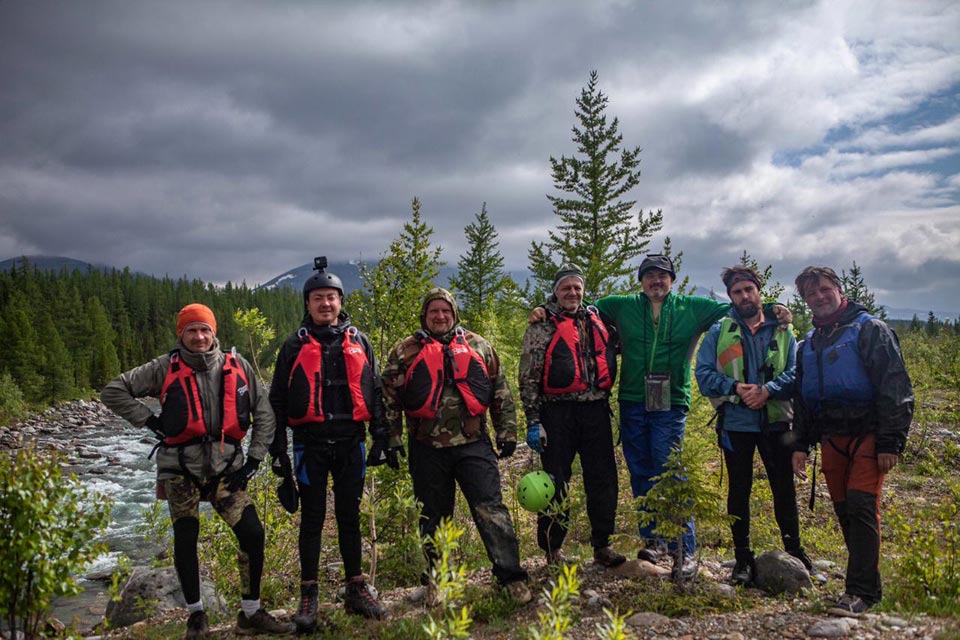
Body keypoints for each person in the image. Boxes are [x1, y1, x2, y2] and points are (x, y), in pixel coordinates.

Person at [528, 254, 790, 580]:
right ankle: (653, 541)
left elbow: (741, 308)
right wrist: (543, 307)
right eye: (650, 275)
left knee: (671, 472)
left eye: (662, 276)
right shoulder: (619, 305)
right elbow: (574, 304)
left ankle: (685, 549)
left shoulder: (693, 307)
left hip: (671, 403)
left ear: (672, 280)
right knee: (640, 473)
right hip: (633, 401)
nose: (656, 281)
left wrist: (776, 305)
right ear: (641, 280)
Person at [102, 303, 294, 638]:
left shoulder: (238, 366)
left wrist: (254, 459)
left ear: (214, 332)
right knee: (186, 539)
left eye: (205, 329)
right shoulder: (163, 367)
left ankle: (250, 612)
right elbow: (113, 391)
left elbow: (264, 412)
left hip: (227, 469)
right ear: (182, 334)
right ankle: (196, 616)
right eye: (192, 330)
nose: (199, 336)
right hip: (180, 468)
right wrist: (150, 421)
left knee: (252, 533)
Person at [380, 288, 532, 604]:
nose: (440, 316)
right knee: (432, 515)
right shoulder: (404, 351)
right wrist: (391, 439)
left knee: (490, 509)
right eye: (433, 311)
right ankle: (438, 580)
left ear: (454, 314)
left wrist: (507, 433)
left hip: (474, 444)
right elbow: (389, 399)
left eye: (445, 311)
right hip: (426, 446)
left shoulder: (479, 346)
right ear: (425, 315)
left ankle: (511, 577)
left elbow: (501, 392)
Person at [268, 258, 388, 630]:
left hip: (352, 442)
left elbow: (376, 389)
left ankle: (356, 588)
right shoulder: (292, 346)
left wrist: (382, 437)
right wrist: (277, 454)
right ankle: (309, 594)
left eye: (331, 298)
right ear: (307, 303)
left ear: (340, 301)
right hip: (309, 445)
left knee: (349, 517)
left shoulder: (360, 340)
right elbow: (277, 401)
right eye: (318, 298)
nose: (325, 304)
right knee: (313, 520)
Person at [791, 266, 913, 616]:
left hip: (869, 435)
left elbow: (896, 386)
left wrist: (891, 441)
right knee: (846, 512)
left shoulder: (870, 330)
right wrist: (800, 444)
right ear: (805, 300)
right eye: (811, 294)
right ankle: (864, 584)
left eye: (825, 289)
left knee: (862, 508)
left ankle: (862, 592)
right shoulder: (809, 344)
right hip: (833, 437)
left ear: (839, 290)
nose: (819, 297)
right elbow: (803, 399)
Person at [694, 265, 812, 586]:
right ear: (730, 296)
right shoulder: (720, 331)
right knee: (739, 489)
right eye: (737, 291)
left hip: (777, 422)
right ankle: (743, 558)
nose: (744, 296)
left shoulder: (784, 329)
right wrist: (736, 389)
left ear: (759, 290)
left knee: (783, 488)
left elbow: (796, 371)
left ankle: (794, 550)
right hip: (736, 422)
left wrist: (768, 391)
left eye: (749, 289)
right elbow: (703, 374)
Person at [519, 264, 626, 568]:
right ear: (555, 291)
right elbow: (528, 377)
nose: (572, 293)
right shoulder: (541, 326)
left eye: (577, 287)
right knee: (555, 483)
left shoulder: (597, 320)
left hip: (596, 411)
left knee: (603, 478)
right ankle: (552, 550)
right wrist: (534, 421)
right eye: (566, 287)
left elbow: (618, 345)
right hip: (557, 413)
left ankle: (602, 545)